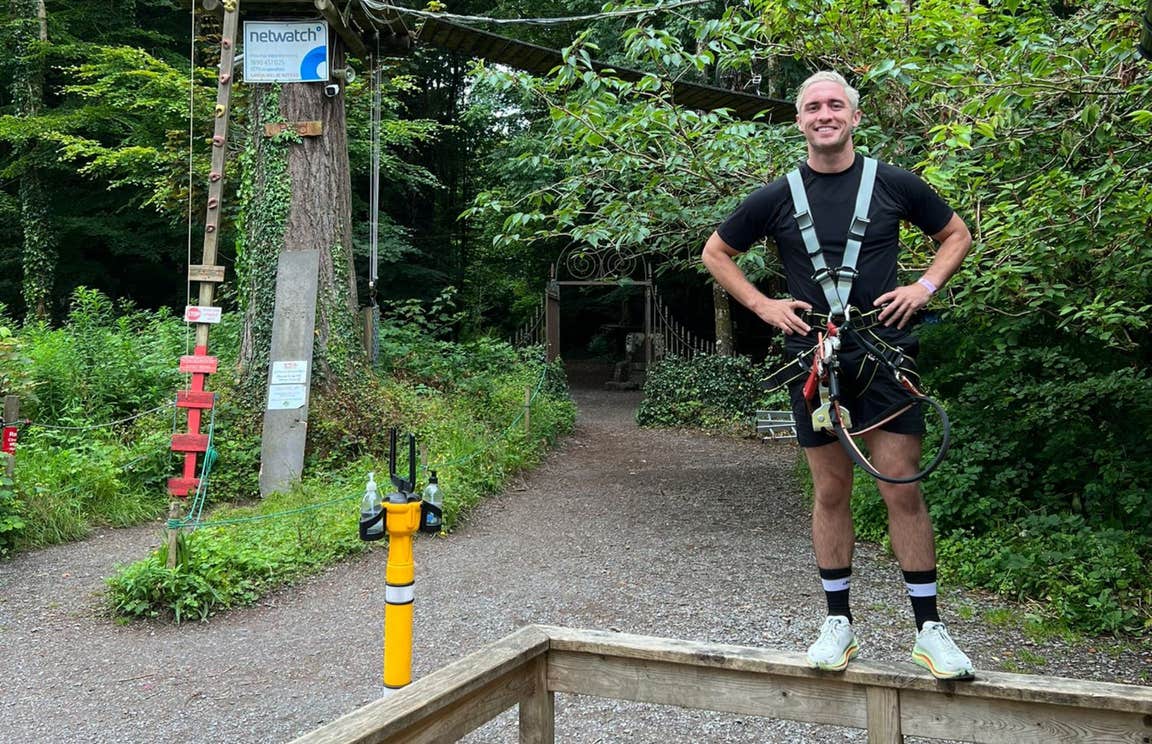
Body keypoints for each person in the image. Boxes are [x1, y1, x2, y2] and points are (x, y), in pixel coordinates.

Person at [701, 71, 975, 680]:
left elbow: (955, 235)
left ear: (854, 117)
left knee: (901, 485)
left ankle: (930, 630)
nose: (824, 114)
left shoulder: (893, 184)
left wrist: (924, 286)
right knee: (830, 491)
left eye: (834, 105)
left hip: (882, 352)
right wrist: (762, 305)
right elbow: (716, 253)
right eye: (811, 107)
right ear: (798, 121)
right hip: (816, 361)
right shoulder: (777, 196)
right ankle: (837, 623)